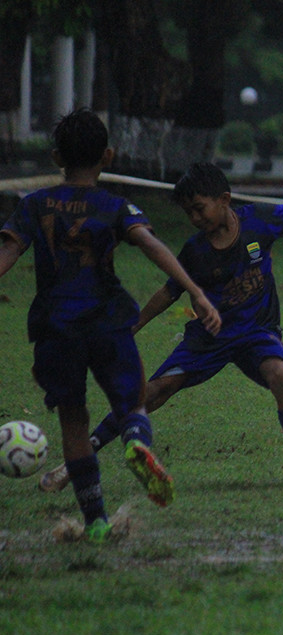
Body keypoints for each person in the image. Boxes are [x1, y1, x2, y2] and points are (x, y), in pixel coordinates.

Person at [37, 161, 283, 494]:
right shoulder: (195, 251)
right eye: (188, 211)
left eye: (200, 208)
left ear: (225, 200)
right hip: (208, 338)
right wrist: (134, 326)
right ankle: (74, 466)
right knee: (152, 393)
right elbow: (169, 292)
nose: (195, 217)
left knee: (281, 374)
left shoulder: (259, 222)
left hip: (256, 334)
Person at [0, 109, 221, 543]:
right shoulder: (115, 206)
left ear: (56, 156)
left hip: (54, 328)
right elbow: (151, 245)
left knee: (74, 420)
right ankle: (137, 443)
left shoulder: (33, 205)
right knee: (133, 400)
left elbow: (6, 254)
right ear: (108, 155)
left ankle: (97, 519)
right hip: (106, 320)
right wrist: (194, 290)